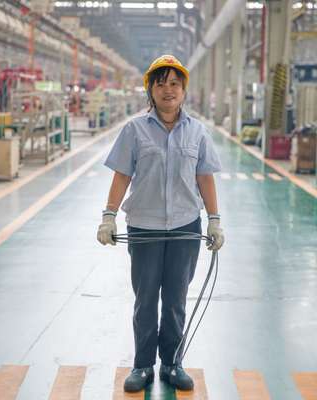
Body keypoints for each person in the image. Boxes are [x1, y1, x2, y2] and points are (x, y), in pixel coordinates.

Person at [97, 54, 224, 393]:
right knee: (146, 298)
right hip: (145, 226)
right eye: (161, 83)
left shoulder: (197, 132)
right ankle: (142, 365)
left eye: (175, 84)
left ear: (183, 90)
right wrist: (109, 215)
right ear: (150, 90)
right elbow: (122, 174)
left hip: (185, 227)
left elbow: (205, 178)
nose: (168, 90)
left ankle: (171, 363)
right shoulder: (134, 129)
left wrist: (214, 220)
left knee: (175, 299)